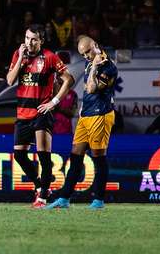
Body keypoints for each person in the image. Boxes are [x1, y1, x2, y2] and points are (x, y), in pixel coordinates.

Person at [6, 24, 75, 208]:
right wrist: (20, 59)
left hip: (42, 112)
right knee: (19, 155)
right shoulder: (18, 54)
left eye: (34, 39)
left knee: (44, 156)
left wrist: (54, 102)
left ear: (41, 41)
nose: (29, 42)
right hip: (23, 113)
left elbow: (69, 79)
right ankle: (40, 185)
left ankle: (42, 197)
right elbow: (10, 80)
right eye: (27, 38)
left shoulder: (50, 57)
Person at [47, 36, 117, 209]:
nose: (86, 56)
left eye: (87, 52)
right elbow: (87, 90)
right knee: (75, 156)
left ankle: (98, 200)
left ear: (95, 45)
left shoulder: (109, 67)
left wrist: (94, 67)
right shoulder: (89, 62)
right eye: (82, 54)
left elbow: (92, 88)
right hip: (85, 115)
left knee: (98, 157)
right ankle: (64, 198)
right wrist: (82, 108)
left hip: (101, 115)